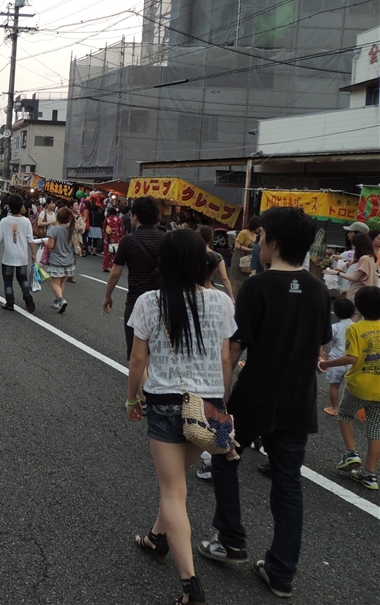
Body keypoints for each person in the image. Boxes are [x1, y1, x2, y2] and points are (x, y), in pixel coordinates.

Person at [199, 207, 332, 600]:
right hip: (298, 402)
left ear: (273, 242)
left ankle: (231, 538)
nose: (259, 243)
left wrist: (220, 397)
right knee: (288, 483)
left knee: (222, 456)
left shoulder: (257, 287)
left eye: (261, 237)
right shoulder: (318, 289)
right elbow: (320, 343)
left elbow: (234, 348)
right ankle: (281, 572)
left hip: (250, 398)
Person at [126, 229, 235, 605]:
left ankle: (191, 586)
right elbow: (225, 359)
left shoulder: (150, 301)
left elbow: (138, 359)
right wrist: (222, 402)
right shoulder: (221, 302)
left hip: (166, 402)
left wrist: (131, 399)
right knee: (176, 483)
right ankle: (157, 539)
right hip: (207, 405)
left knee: (173, 491)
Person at [319, 286, 379, 491]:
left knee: (344, 414)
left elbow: (352, 358)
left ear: (358, 308)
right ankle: (370, 474)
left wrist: (326, 364)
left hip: (359, 385)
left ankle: (352, 453)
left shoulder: (356, 328)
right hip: (379, 388)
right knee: (376, 430)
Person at [104, 196, 165, 360]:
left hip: (136, 300)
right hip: (162, 300)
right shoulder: (166, 239)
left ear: (136, 216)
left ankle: (140, 377)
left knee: (137, 353)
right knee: (157, 351)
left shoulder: (128, 241)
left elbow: (115, 272)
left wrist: (108, 295)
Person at [0, 193, 37, 313]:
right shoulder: (26, 221)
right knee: (23, 278)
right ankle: (26, 294)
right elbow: (30, 240)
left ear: (9, 206)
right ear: (21, 206)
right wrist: (33, 254)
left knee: (8, 280)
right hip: (22, 256)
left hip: (9, 256)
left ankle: (10, 302)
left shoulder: (5, 221)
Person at [322, 297, 356, 417]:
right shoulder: (356, 326)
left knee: (334, 386)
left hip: (336, 361)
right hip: (352, 361)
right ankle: (353, 409)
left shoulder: (335, 327)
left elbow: (325, 340)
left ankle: (335, 408)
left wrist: (322, 352)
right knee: (352, 388)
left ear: (336, 313)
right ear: (353, 312)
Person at [325, 232, 377, 307]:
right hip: (364, 293)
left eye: (354, 244)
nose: (353, 247)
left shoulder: (364, 258)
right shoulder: (371, 257)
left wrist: (336, 273)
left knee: (353, 313)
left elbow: (355, 277)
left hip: (356, 292)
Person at [44, 206, 76, 313]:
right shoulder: (71, 229)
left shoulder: (54, 230)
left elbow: (51, 245)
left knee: (54, 283)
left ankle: (61, 300)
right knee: (62, 282)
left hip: (56, 260)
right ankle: (57, 301)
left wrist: (45, 243)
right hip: (68, 260)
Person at [197, 225, 234, 302]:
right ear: (211, 240)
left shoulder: (191, 253)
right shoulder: (217, 256)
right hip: (209, 288)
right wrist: (231, 298)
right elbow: (224, 278)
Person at [229, 215, 261, 295]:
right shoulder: (243, 233)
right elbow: (237, 246)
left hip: (248, 260)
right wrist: (250, 250)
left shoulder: (256, 236)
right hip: (239, 257)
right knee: (236, 281)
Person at [102, 205, 126, 272]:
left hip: (108, 237)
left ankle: (106, 267)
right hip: (117, 237)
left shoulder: (107, 220)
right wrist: (122, 236)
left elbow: (104, 228)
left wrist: (105, 236)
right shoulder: (119, 220)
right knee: (115, 253)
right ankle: (113, 267)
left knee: (107, 252)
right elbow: (121, 229)